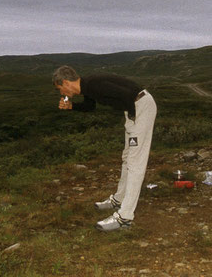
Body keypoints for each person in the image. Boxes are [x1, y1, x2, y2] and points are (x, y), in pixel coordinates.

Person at [52, 65, 157, 232]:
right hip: (133, 109)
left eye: (60, 89)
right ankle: (119, 199)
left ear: (65, 82)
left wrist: (133, 117)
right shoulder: (87, 87)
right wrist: (71, 107)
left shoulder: (94, 84)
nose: (61, 93)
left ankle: (125, 217)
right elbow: (89, 107)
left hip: (140, 106)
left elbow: (125, 94)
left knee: (135, 161)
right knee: (127, 157)